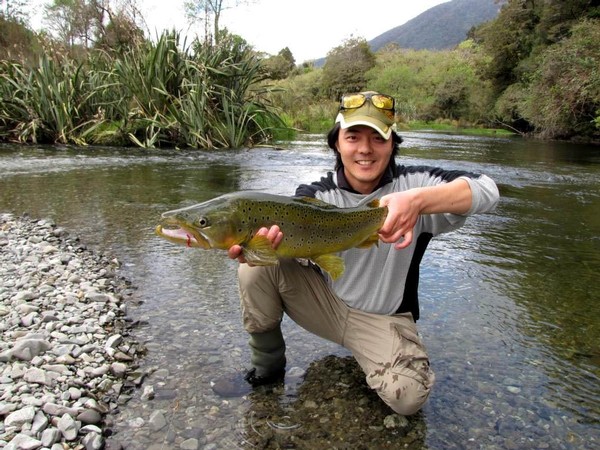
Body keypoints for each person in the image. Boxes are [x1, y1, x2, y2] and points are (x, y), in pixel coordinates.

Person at [227, 91, 499, 415]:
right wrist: (258, 250)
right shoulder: (316, 195)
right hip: (325, 304)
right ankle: (267, 366)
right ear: (337, 144)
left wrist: (417, 202)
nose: (365, 149)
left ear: (392, 144)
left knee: (408, 397)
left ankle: (374, 355)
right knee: (255, 268)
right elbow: (285, 255)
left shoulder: (416, 183)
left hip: (384, 317)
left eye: (378, 138)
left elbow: (488, 190)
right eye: (353, 137)